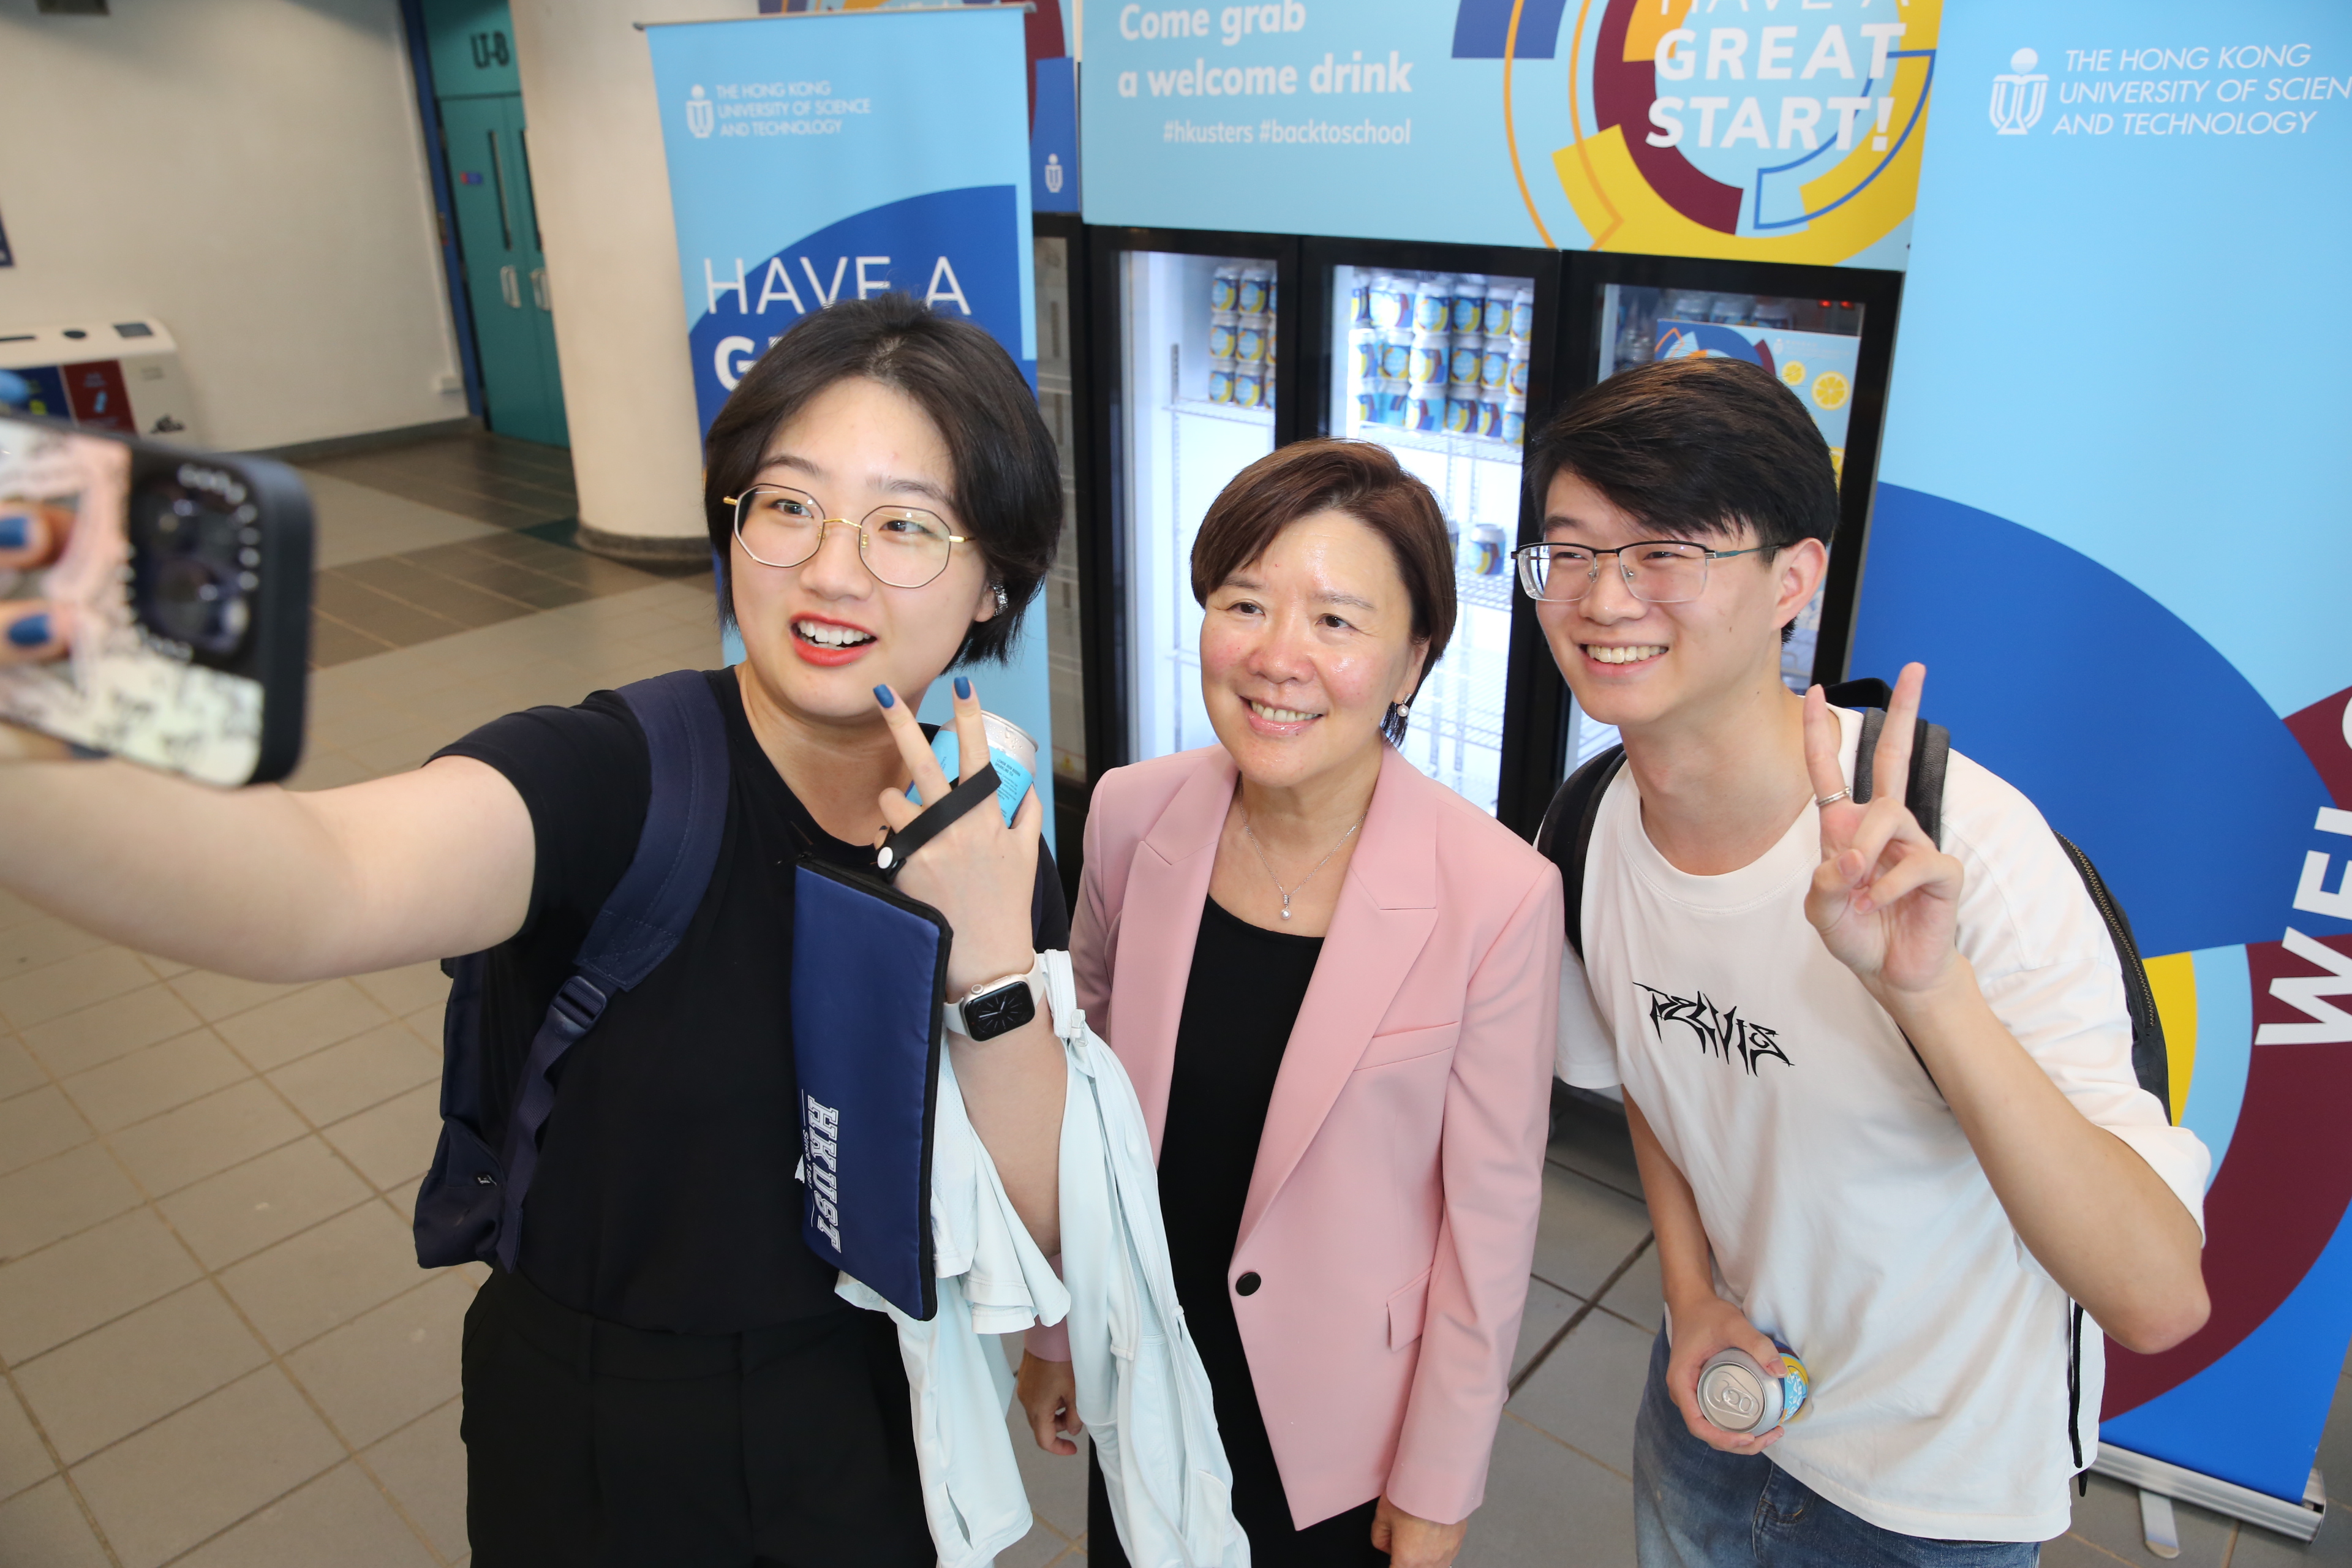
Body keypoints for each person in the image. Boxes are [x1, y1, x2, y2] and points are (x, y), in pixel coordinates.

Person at [0, 294, 1073, 1566]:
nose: (832, 570)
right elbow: (315, 882)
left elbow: (1039, 1222)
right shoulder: (616, 775)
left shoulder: (987, 823)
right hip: (605, 1427)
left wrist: (990, 956)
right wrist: (32, 642)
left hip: (883, 1404)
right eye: (788, 504)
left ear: (993, 579)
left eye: (905, 525)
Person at [1523, 356, 2211, 1564]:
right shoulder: (1585, 826)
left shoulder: (1963, 845)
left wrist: (1929, 992)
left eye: (1665, 550)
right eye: (1571, 551)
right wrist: (1691, 1297)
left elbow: (2156, 1296)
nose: (1604, 597)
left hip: (1936, 1492)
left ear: (1794, 578)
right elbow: (1652, 1076)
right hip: (1713, 1411)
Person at [1013, 440, 1565, 1568]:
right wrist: (1058, 1332)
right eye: (1245, 604)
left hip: (1337, 1425)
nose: (1277, 658)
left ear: (1413, 660)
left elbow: (1491, 1220)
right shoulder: (1130, 814)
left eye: (1336, 621)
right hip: (1144, 1370)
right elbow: (1080, 1115)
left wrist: (1441, 1475)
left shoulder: (1498, 894)